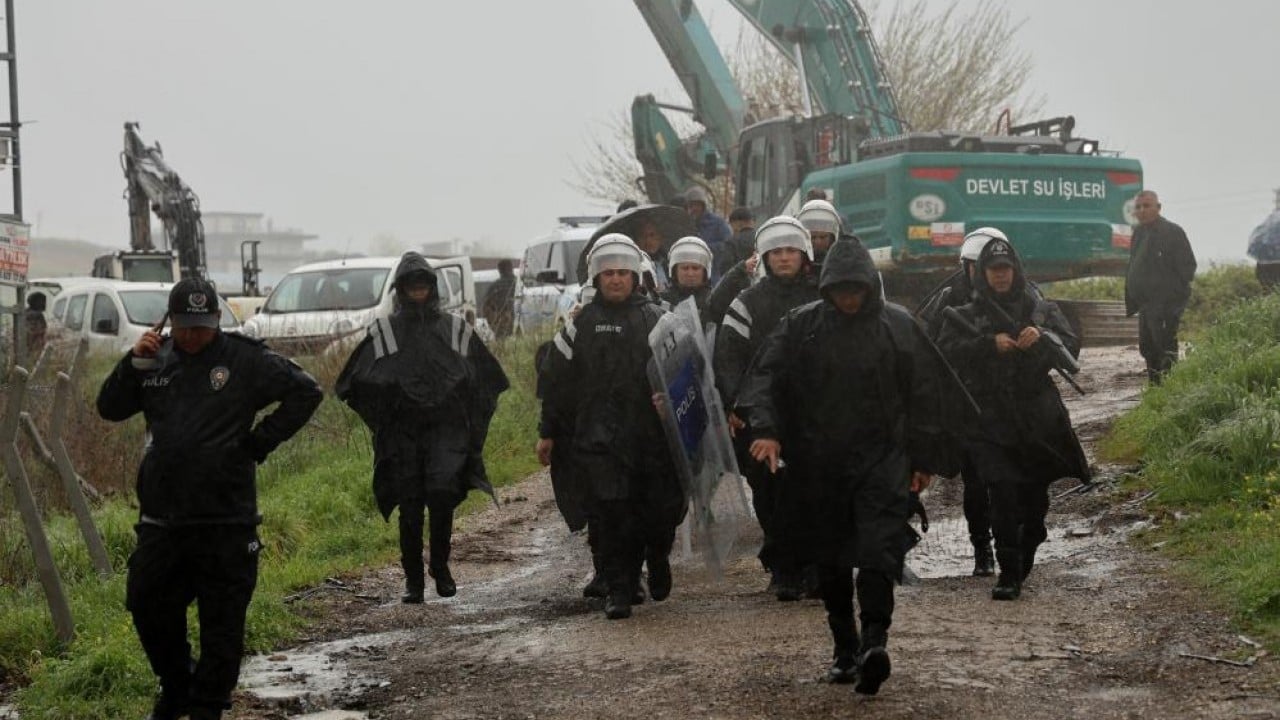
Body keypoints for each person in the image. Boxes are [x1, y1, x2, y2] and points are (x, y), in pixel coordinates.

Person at [96, 277, 322, 720]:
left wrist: (260, 443)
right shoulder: (153, 359)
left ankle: (208, 705)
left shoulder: (245, 359)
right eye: (184, 327)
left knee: (223, 628)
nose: (192, 335)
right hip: (165, 520)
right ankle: (177, 684)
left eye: (201, 326)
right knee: (146, 603)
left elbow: (307, 391)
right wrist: (129, 363)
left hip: (227, 520)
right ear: (171, 322)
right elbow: (110, 408)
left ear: (216, 320)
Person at [736, 239, 952, 694]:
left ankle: (875, 641)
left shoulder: (898, 326)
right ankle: (844, 647)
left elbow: (927, 396)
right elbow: (763, 378)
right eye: (840, 289)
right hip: (818, 463)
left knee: (878, 551)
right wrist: (767, 430)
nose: (849, 298)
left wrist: (924, 459)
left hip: (883, 460)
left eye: (856, 289)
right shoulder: (801, 326)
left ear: (869, 287)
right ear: (827, 287)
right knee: (831, 559)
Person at [336, 252, 509, 603]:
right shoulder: (385, 331)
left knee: (443, 495)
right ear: (400, 289)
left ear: (432, 287)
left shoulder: (455, 328)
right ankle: (413, 580)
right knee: (411, 503)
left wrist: (468, 424)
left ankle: (440, 568)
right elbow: (355, 382)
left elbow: (486, 379)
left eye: (424, 283)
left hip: (446, 430)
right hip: (403, 433)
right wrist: (385, 413)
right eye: (411, 284)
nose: (418, 290)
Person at [537, 234, 685, 620]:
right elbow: (555, 382)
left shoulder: (658, 319)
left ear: (635, 276)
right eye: (608, 274)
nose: (616, 280)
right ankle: (619, 589)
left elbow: (688, 371)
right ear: (596, 278)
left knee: (657, 511)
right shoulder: (579, 326)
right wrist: (548, 431)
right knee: (613, 513)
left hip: (650, 438)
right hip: (598, 436)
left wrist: (671, 402)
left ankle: (658, 556)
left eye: (623, 273)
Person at [935, 236, 1090, 601]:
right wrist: (989, 344)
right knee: (1001, 492)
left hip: (1037, 418)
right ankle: (1007, 571)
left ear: (1015, 271)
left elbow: (1071, 346)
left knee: (1035, 500)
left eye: (1005, 269)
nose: (1000, 276)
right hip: (990, 419)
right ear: (982, 274)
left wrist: (1044, 338)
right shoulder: (967, 313)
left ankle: (1027, 546)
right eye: (993, 270)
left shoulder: (1040, 308)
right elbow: (944, 352)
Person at [714, 216, 820, 600]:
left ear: (804, 252)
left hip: (815, 414)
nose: (785, 258)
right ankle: (782, 568)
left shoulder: (825, 293)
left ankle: (814, 566)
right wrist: (734, 403)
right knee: (770, 492)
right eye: (776, 252)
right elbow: (727, 357)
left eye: (791, 250)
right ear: (765, 257)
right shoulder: (747, 303)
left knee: (814, 491)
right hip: (760, 416)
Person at [915, 227, 1010, 576]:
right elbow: (926, 345)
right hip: (965, 403)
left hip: (1010, 403)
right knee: (976, 479)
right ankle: (982, 547)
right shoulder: (947, 298)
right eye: (973, 266)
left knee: (1013, 480)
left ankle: (1012, 545)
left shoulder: (1019, 293)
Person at [1124, 190, 1196, 384]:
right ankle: (1155, 387)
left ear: (1158, 207)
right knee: (1147, 347)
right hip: (1145, 304)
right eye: (1138, 207)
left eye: (1147, 206)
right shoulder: (1138, 233)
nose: (1142, 210)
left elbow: (1188, 268)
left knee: (1164, 345)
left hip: (1166, 304)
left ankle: (1170, 388)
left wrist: (1172, 299)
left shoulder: (1172, 232)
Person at [685, 186, 732, 281]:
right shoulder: (685, 225)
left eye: (697, 205)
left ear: (703, 206)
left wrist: (704, 248)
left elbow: (728, 246)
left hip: (713, 276)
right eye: (691, 206)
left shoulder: (718, 223)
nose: (694, 209)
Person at [659, 236, 714, 315]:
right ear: (674, 271)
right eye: (685, 268)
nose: (690, 274)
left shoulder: (715, 303)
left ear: (705, 272)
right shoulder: (660, 303)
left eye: (695, 268)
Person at [715, 206, 756, 279]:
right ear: (751, 222)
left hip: (739, 287)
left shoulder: (731, 243)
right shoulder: (761, 239)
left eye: (731, 225)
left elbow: (725, 270)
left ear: (737, 223)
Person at [481, 259, 518, 338]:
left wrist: (494, 324)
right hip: (519, 325)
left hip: (501, 326)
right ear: (511, 269)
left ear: (500, 271)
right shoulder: (519, 284)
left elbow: (485, 308)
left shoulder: (494, 287)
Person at [24, 291, 48, 363]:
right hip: (34, 347)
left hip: (25, 347)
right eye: (42, 301)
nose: (44, 304)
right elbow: (42, 330)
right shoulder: (38, 315)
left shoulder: (24, 313)